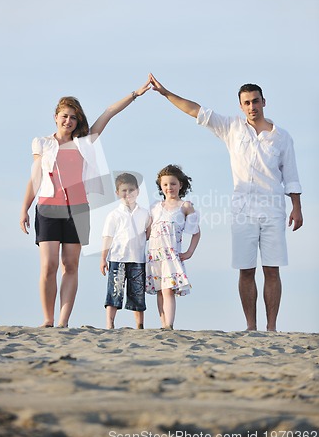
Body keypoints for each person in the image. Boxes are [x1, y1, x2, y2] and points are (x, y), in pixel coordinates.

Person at [149, 74, 303, 332]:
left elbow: (291, 176)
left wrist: (297, 207)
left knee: (272, 270)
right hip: (242, 211)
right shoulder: (232, 127)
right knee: (245, 270)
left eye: (255, 101)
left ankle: (272, 327)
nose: (252, 107)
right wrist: (166, 93)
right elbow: (196, 110)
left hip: (273, 209)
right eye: (246, 103)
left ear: (264, 102)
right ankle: (251, 327)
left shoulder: (282, 137)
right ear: (240, 106)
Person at [20, 81, 151, 328]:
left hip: (78, 210)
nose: (68, 121)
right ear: (55, 117)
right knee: (48, 265)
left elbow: (109, 112)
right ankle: (47, 319)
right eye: (64, 116)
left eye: (73, 118)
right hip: (47, 207)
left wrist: (136, 93)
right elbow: (35, 177)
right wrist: (24, 208)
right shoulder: (42, 143)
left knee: (70, 265)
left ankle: (62, 321)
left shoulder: (85, 142)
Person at [146, 164, 200, 330]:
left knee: (168, 289)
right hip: (154, 255)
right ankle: (163, 324)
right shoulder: (155, 206)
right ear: (161, 187)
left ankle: (169, 324)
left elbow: (196, 232)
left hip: (170, 254)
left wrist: (190, 251)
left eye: (173, 184)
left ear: (180, 185)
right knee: (160, 290)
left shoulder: (185, 206)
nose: (169, 187)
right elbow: (147, 230)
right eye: (165, 185)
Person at [100, 173, 150, 329]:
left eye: (131, 190)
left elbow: (148, 233)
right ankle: (110, 323)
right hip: (117, 258)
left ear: (137, 191)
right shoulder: (114, 215)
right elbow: (107, 237)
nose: (128, 194)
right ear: (117, 193)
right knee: (115, 291)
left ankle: (139, 325)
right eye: (124, 190)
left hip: (138, 259)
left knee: (137, 293)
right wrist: (103, 258)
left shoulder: (144, 213)